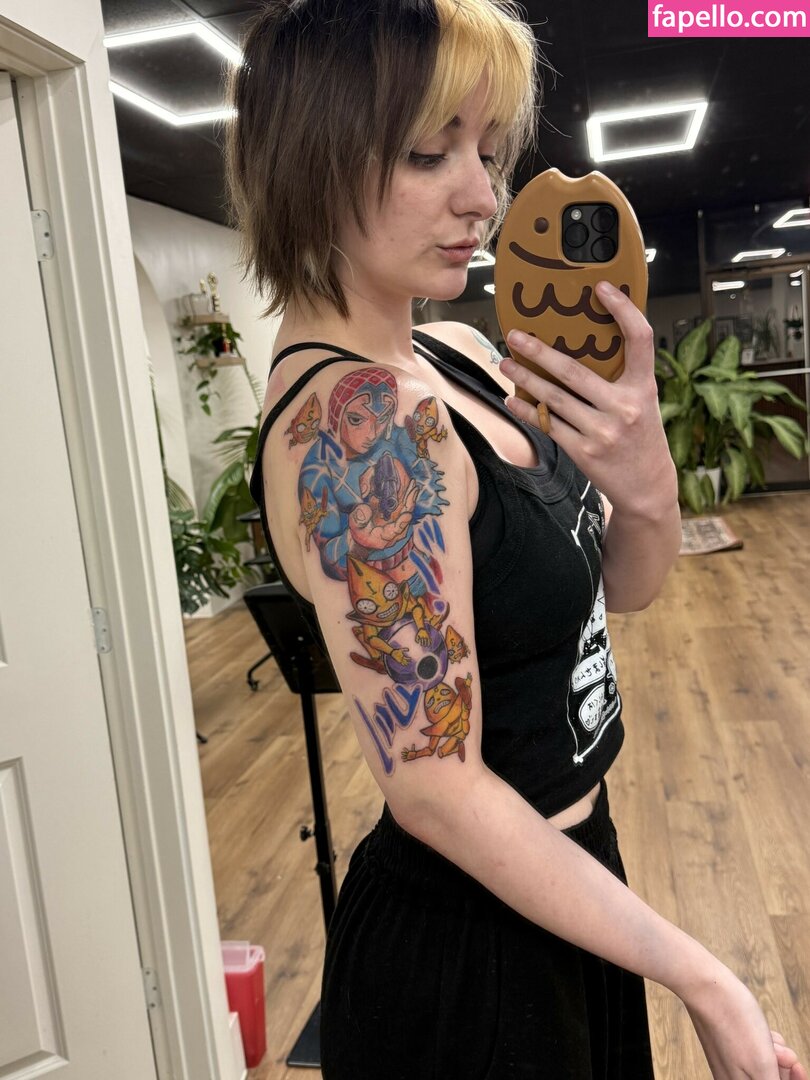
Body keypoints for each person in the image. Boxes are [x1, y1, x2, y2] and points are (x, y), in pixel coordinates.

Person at [225, 2, 808, 1077]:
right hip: (469, 963)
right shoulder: (360, 431)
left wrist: (647, 486)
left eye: (487, 153)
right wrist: (705, 976)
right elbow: (436, 790)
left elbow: (619, 590)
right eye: (427, 152)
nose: (482, 197)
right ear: (312, 162)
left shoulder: (459, 352)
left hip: (573, 883)